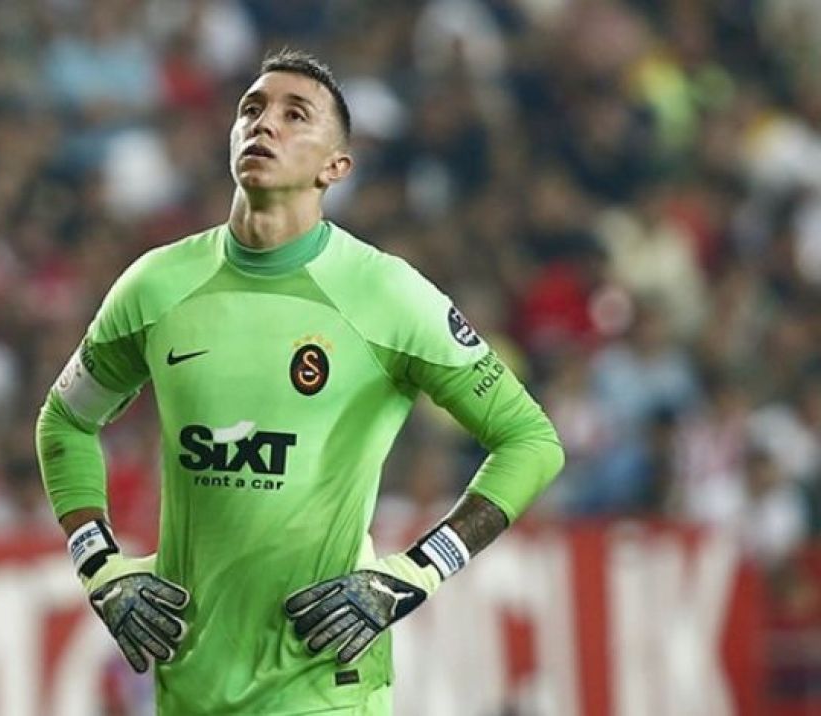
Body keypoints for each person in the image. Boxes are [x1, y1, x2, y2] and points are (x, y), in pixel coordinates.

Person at [35, 49, 565, 715]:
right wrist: (99, 564)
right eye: (251, 109)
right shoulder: (156, 285)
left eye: (295, 115)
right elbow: (66, 420)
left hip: (325, 687)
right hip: (188, 685)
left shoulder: (386, 294)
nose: (265, 123)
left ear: (335, 167)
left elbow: (531, 441)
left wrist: (417, 571)